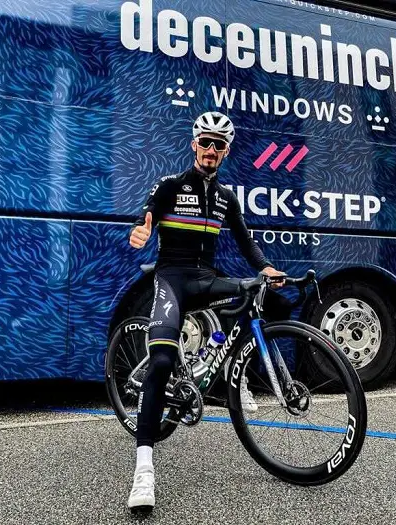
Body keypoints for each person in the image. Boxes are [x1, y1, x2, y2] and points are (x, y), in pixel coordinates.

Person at [126, 111, 285, 512]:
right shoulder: (171, 185)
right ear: (194, 145)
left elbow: (246, 242)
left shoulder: (226, 198)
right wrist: (142, 229)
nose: (212, 150)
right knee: (162, 361)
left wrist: (266, 268)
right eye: (206, 142)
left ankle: (232, 371)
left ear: (226, 151)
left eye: (220, 145)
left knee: (251, 291)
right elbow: (146, 215)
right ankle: (143, 468)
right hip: (172, 279)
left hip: (206, 278)